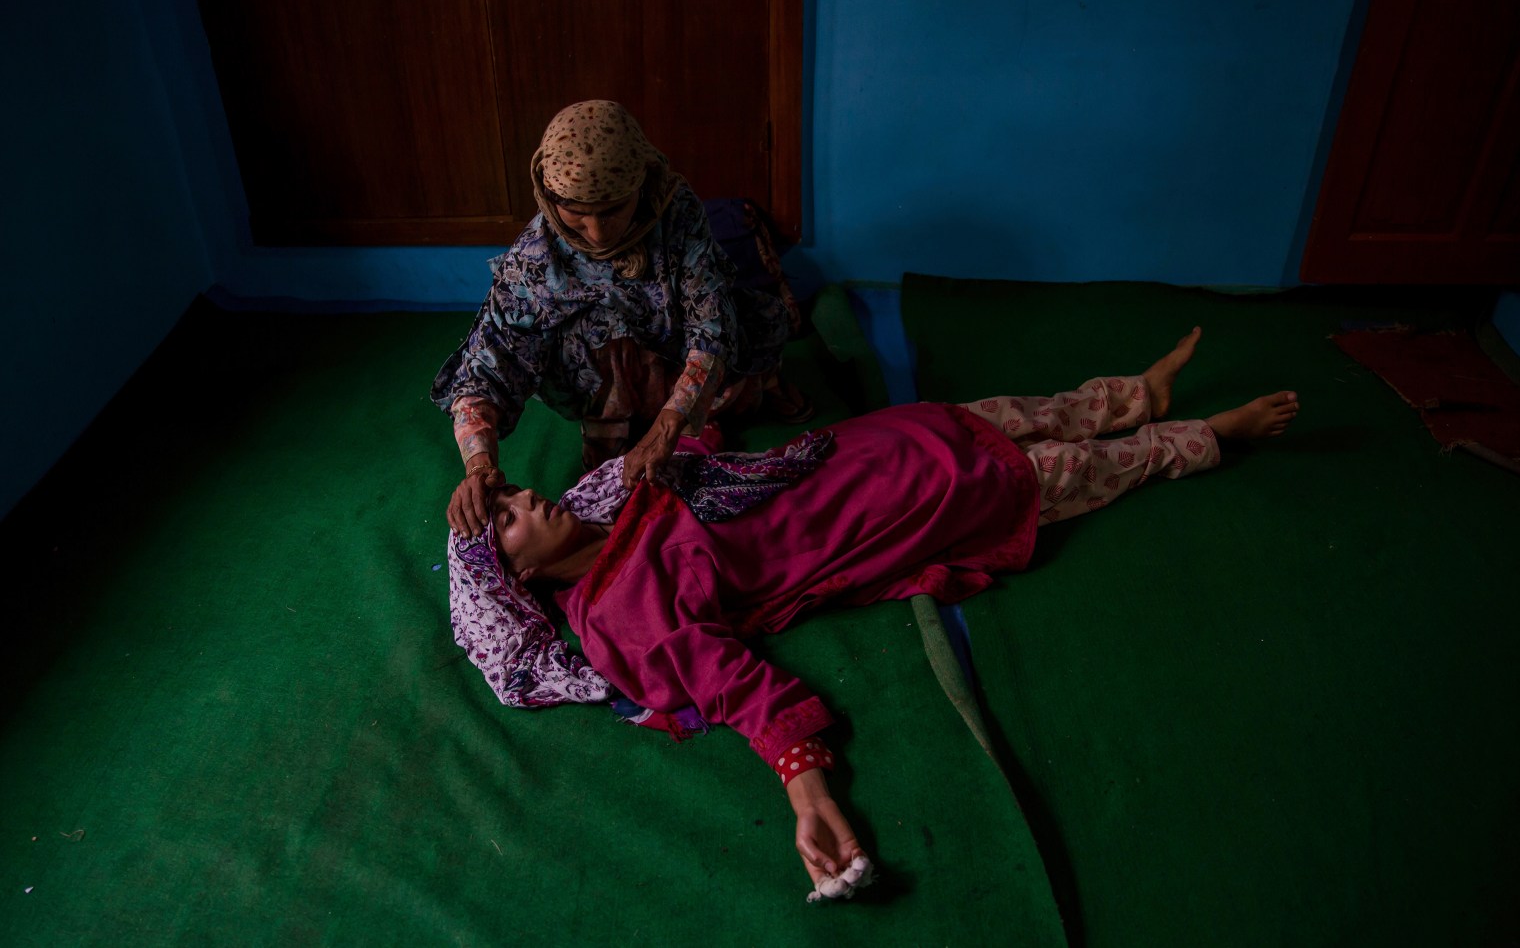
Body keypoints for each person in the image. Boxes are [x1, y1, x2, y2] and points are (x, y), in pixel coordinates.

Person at [446, 328, 1299, 901]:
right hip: (892, 512)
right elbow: (740, 690)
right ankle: (1206, 438)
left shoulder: (609, 498)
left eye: (514, 491)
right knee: (1059, 475)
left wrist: (702, 416)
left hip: (861, 451)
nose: (526, 493)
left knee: (1012, 415)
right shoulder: (621, 616)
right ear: (517, 576)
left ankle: (1133, 395)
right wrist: (807, 796)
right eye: (512, 515)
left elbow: (701, 449)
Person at [433, 100, 808, 539]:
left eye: (611, 209)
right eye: (575, 211)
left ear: (641, 187)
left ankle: (756, 389)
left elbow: (711, 323)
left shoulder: (676, 212)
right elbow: (487, 365)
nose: (596, 233)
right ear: (549, 195)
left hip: (673, 356)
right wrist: (479, 465)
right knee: (583, 331)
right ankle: (611, 433)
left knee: (749, 344)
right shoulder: (535, 259)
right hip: (605, 375)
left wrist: (673, 419)